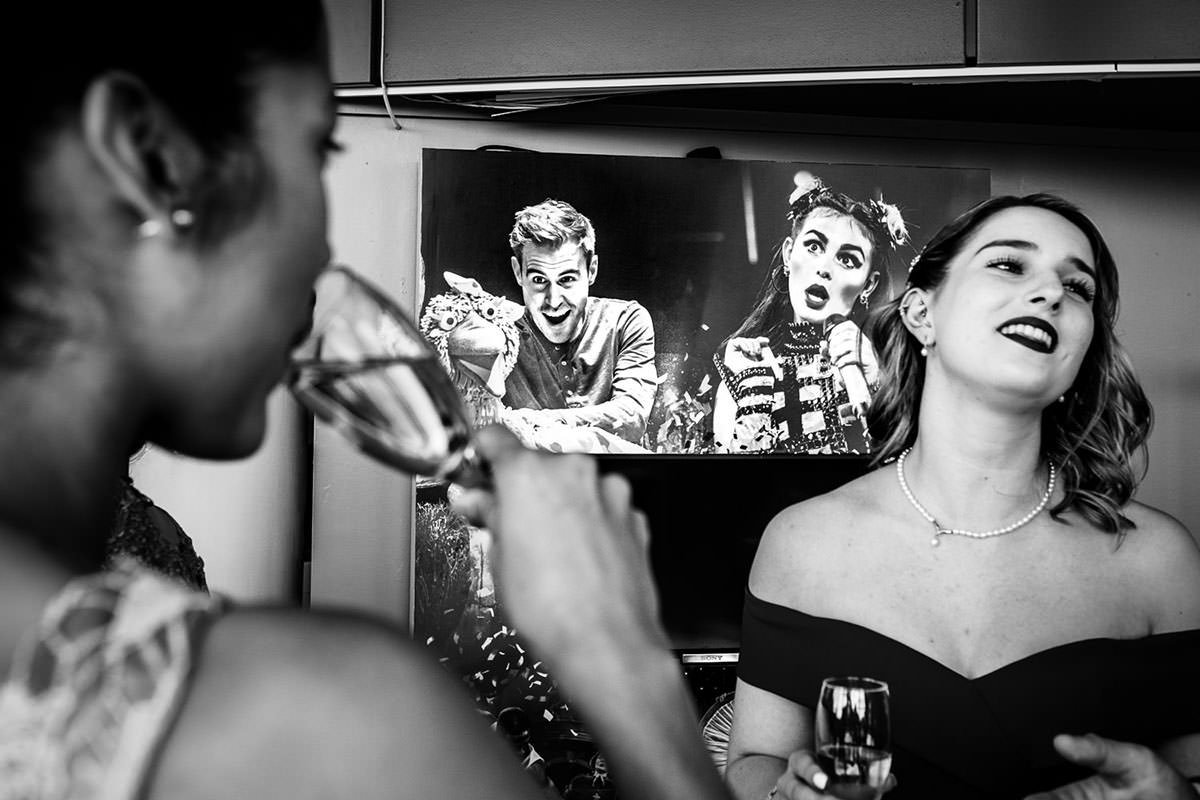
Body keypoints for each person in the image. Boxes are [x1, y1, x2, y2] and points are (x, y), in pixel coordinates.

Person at [0, 4, 730, 799]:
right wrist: (621, 657)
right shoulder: (337, 715)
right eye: (316, 150)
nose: (319, 248)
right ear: (146, 156)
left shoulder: (158, 560)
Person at [724, 194, 1200, 799]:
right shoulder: (800, 542)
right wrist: (783, 792)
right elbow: (752, 762)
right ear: (923, 314)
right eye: (1009, 264)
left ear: (1083, 350)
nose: (1052, 293)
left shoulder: (1160, 561)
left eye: (1078, 288)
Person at [711, 174, 907, 454]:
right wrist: (754, 387)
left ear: (869, 284)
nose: (824, 268)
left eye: (847, 259)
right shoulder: (742, 369)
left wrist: (878, 383)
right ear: (789, 254)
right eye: (814, 246)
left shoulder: (895, 370)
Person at [501, 199, 659, 448]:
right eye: (539, 279)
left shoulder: (626, 320)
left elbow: (631, 416)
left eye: (567, 279)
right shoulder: (498, 332)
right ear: (518, 273)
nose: (553, 301)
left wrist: (532, 424)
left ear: (592, 270)